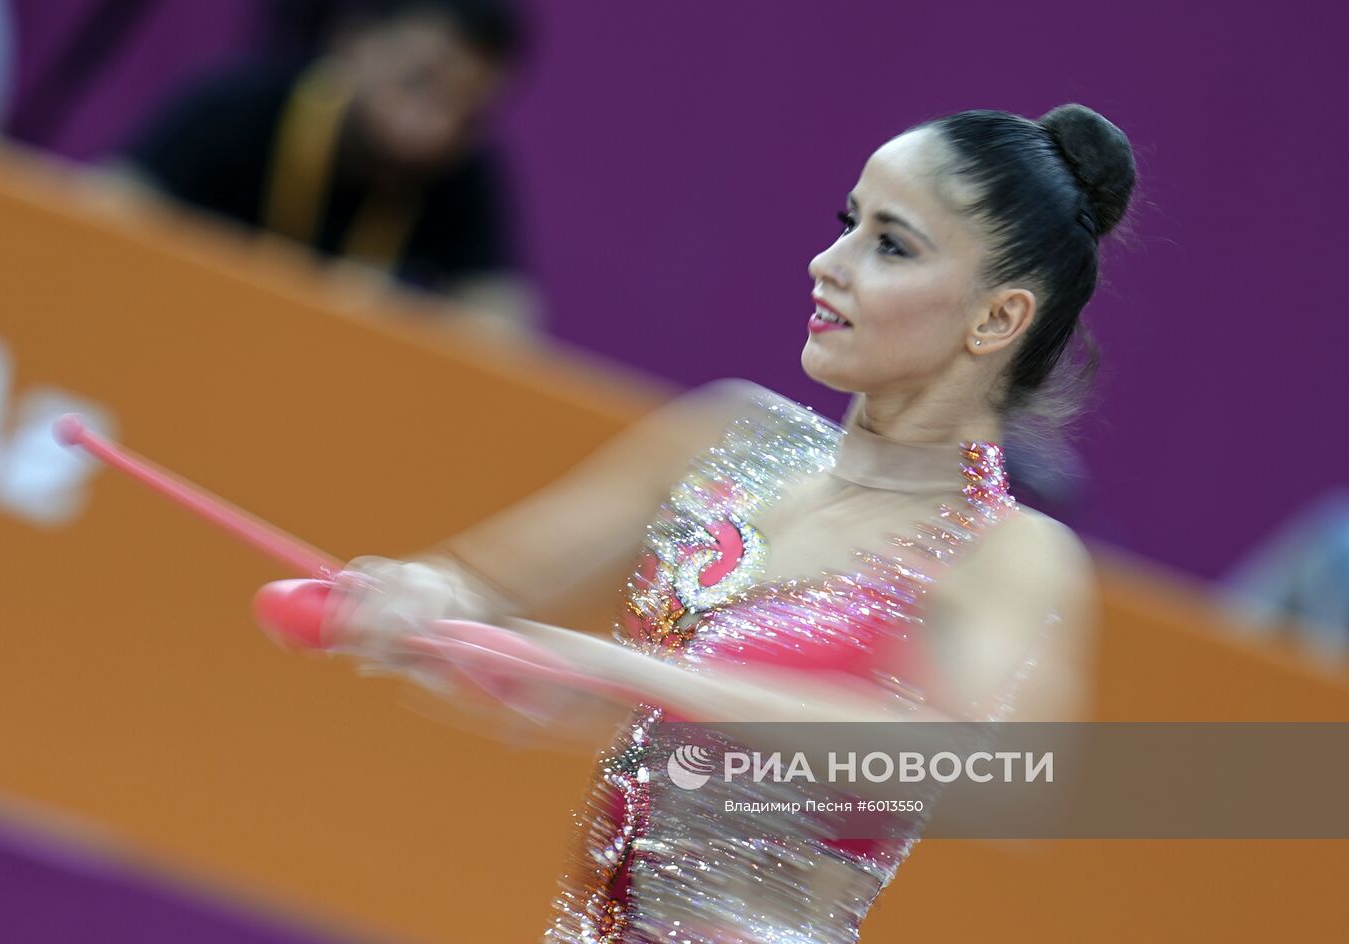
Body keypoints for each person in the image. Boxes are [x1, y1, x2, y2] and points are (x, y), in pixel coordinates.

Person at [260, 103, 1136, 941]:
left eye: (891, 246)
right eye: (849, 222)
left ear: (997, 317)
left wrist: (634, 675)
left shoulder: (1007, 550)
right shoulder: (725, 437)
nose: (828, 263)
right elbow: (484, 594)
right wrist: (418, 600)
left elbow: (992, 780)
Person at [117, 0, 537, 335]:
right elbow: (105, 209)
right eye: (417, 81)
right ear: (354, 39)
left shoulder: (463, 173)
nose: (429, 127)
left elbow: (501, 326)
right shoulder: (233, 111)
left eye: (466, 111)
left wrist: (404, 317)